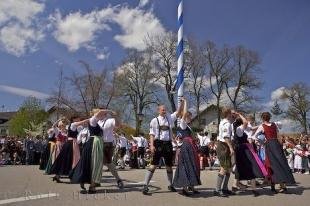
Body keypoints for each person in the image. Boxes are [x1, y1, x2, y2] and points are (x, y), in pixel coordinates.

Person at [142, 101, 184, 195]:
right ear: (158, 111)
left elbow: (178, 112)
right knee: (153, 165)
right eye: (163, 110)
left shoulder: (169, 118)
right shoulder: (154, 120)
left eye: (165, 110)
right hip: (158, 144)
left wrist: (181, 103)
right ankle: (145, 185)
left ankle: (170, 185)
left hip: (168, 144)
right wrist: (152, 145)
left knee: (169, 166)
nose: (164, 111)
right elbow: (152, 134)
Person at [254, 112, 295, 193]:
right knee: (280, 163)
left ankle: (275, 186)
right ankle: (281, 185)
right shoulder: (274, 124)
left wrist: (262, 142)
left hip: (269, 145)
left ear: (262, 118)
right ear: (269, 117)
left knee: (271, 164)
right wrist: (281, 143)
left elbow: (255, 136)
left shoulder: (262, 126)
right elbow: (278, 135)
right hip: (276, 144)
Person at [71, 109, 107, 193]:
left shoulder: (97, 122)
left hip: (94, 142)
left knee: (90, 162)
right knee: (95, 163)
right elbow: (99, 114)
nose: (103, 115)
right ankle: (92, 186)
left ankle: (86, 180)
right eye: (102, 114)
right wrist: (109, 111)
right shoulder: (93, 120)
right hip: (94, 143)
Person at [232, 112, 267, 197]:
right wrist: (239, 114)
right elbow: (246, 122)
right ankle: (254, 189)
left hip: (242, 150)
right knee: (252, 167)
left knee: (240, 168)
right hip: (244, 150)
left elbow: (250, 128)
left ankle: (234, 186)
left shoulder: (239, 129)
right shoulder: (239, 129)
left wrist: (261, 125)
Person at [90, 109, 124, 189]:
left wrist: (114, 115)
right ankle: (96, 181)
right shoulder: (96, 121)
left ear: (104, 114)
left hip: (107, 144)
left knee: (108, 163)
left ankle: (118, 180)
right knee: (97, 163)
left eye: (99, 113)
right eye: (96, 113)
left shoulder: (110, 120)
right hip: (97, 143)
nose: (97, 115)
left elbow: (118, 125)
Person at [173, 98, 201, 196]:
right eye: (189, 116)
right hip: (186, 147)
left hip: (190, 146)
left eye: (190, 117)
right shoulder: (182, 123)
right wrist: (185, 102)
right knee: (186, 165)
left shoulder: (188, 126)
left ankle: (191, 186)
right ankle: (184, 188)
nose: (190, 118)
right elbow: (184, 114)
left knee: (192, 165)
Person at [49, 116, 82, 183]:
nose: (62, 126)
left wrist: (67, 120)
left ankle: (59, 176)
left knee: (66, 160)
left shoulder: (67, 130)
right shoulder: (58, 131)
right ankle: (63, 175)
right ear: (59, 126)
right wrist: (59, 120)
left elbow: (71, 124)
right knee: (65, 160)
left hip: (66, 145)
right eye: (61, 125)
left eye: (63, 125)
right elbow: (54, 126)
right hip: (62, 145)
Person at [214, 108, 235, 197]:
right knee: (224, 167)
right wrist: (231, 148)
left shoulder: (224, 121)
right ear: (228, 114)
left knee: (229, 168)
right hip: (223, 146)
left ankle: (225, 188)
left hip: (224, 145)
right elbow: (226, 137)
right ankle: (217, 190)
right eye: (232, 112)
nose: (233, 114)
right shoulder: (226, 123)